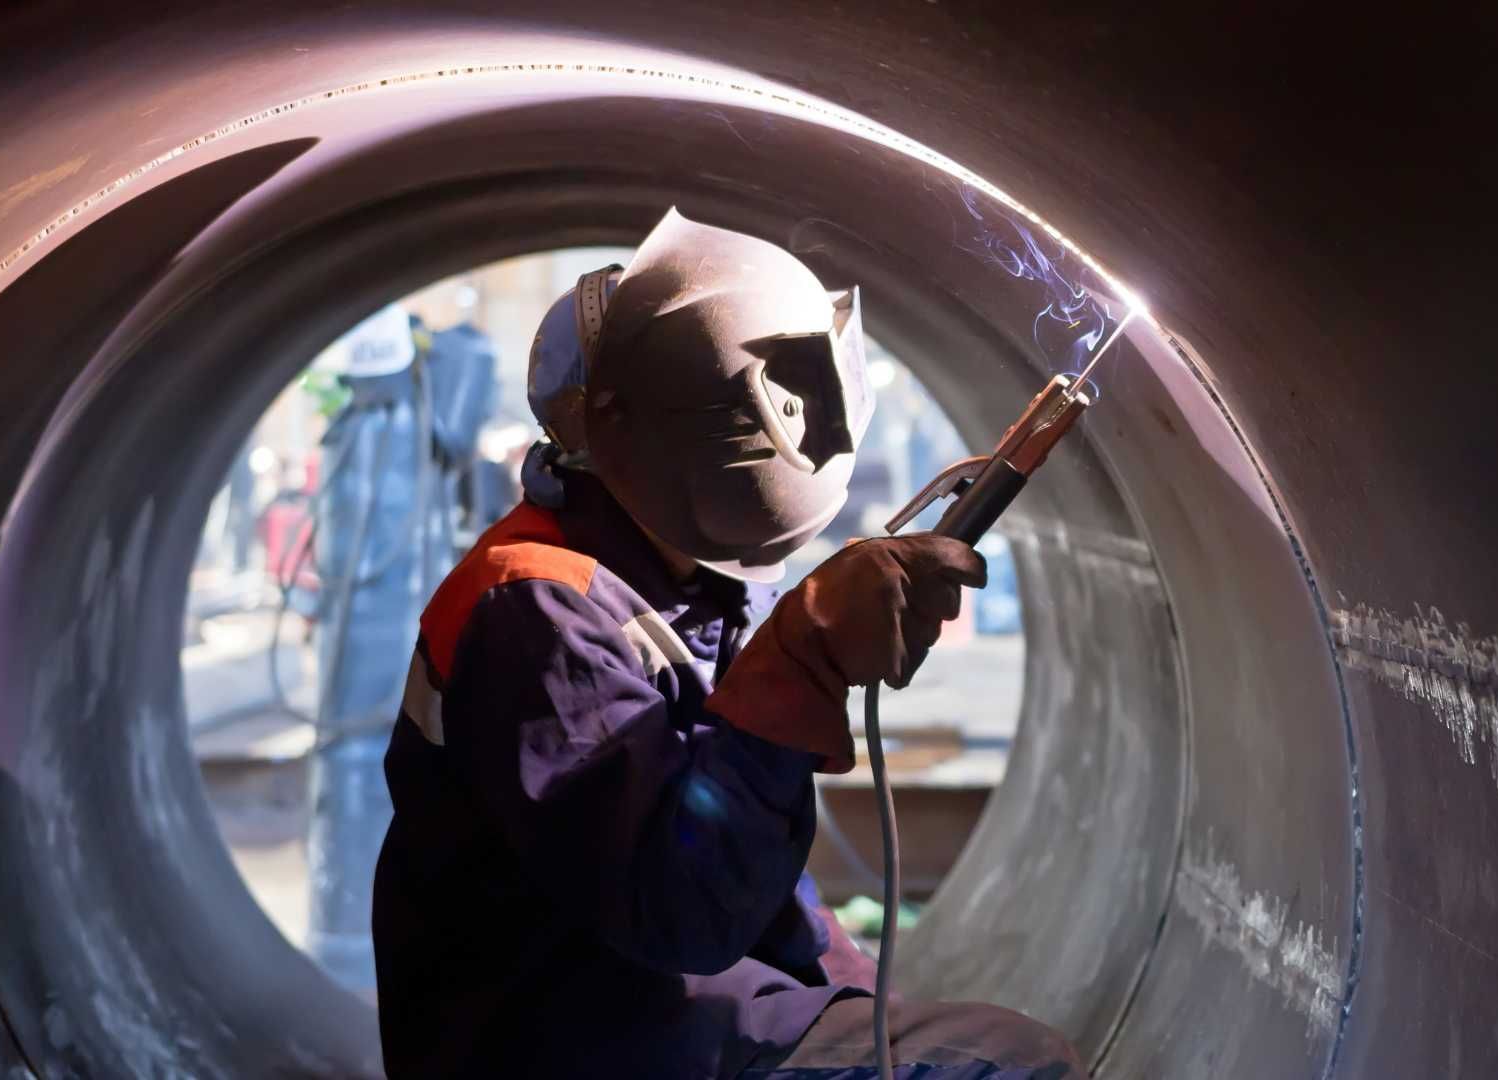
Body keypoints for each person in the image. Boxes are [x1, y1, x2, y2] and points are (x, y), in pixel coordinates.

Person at [371, 208, 1087, 1079]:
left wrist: (862, 1006)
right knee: (1010, 1067)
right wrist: (800, 665)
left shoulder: (691, 581)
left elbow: (769, 904)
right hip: (563, 1038)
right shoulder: (536, 608)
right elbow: (681, 911)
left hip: (663, 1012)